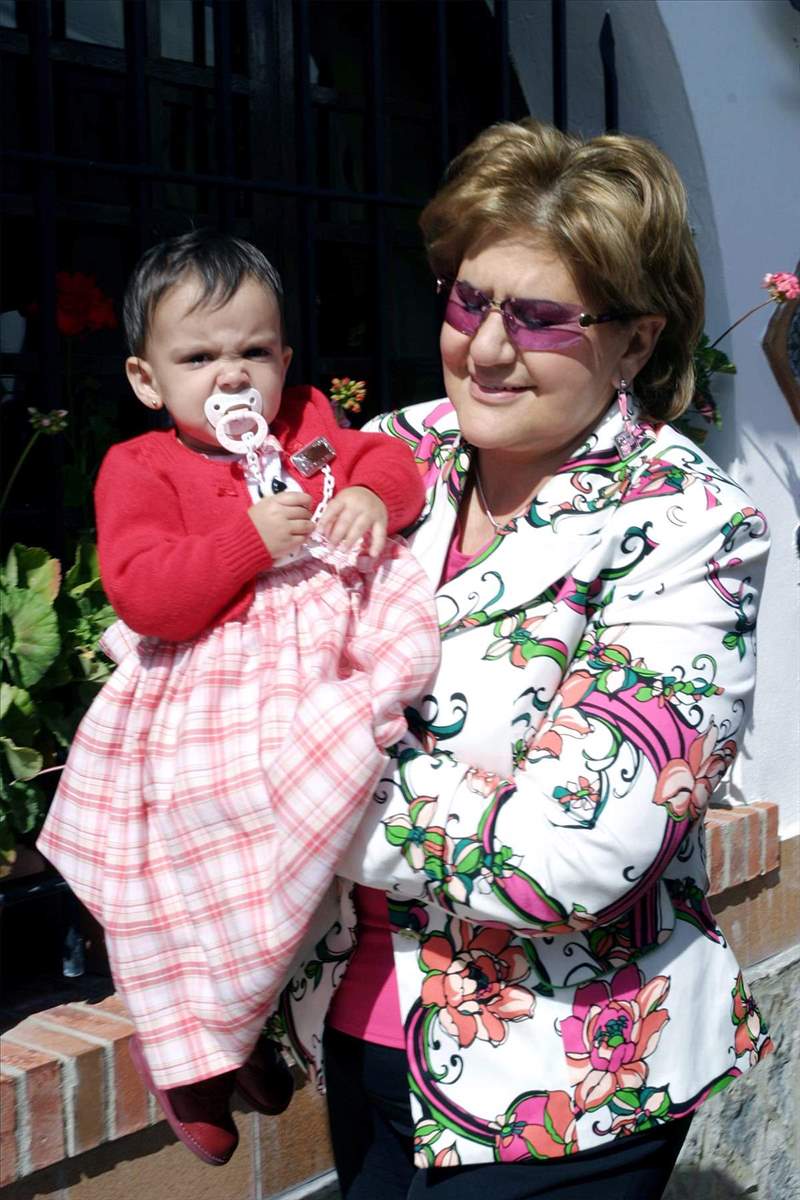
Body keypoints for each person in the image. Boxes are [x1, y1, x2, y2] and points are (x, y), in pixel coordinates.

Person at [268, 119, 774, 1200]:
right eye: (468, 299)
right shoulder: (390, 459)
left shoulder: (689, 522)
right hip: (358, 1030)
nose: (484, 348)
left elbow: (569, 858)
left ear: (634, 342)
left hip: (560, 1081)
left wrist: (281, 775)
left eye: (539, 317)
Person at [37, 231, 440, 1167]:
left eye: (253, 352)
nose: (232, 379)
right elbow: (149, 596)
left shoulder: (304, 428)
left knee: (324, 821)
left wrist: (373, 498)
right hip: (203, 687)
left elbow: (388, 460)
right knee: (202, 844)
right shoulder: (139, 469)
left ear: (287, 360)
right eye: (199, 357)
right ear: (147, 379)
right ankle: (194, 1058)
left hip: (313, 674)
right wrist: (251, 539)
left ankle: (236, 1029)